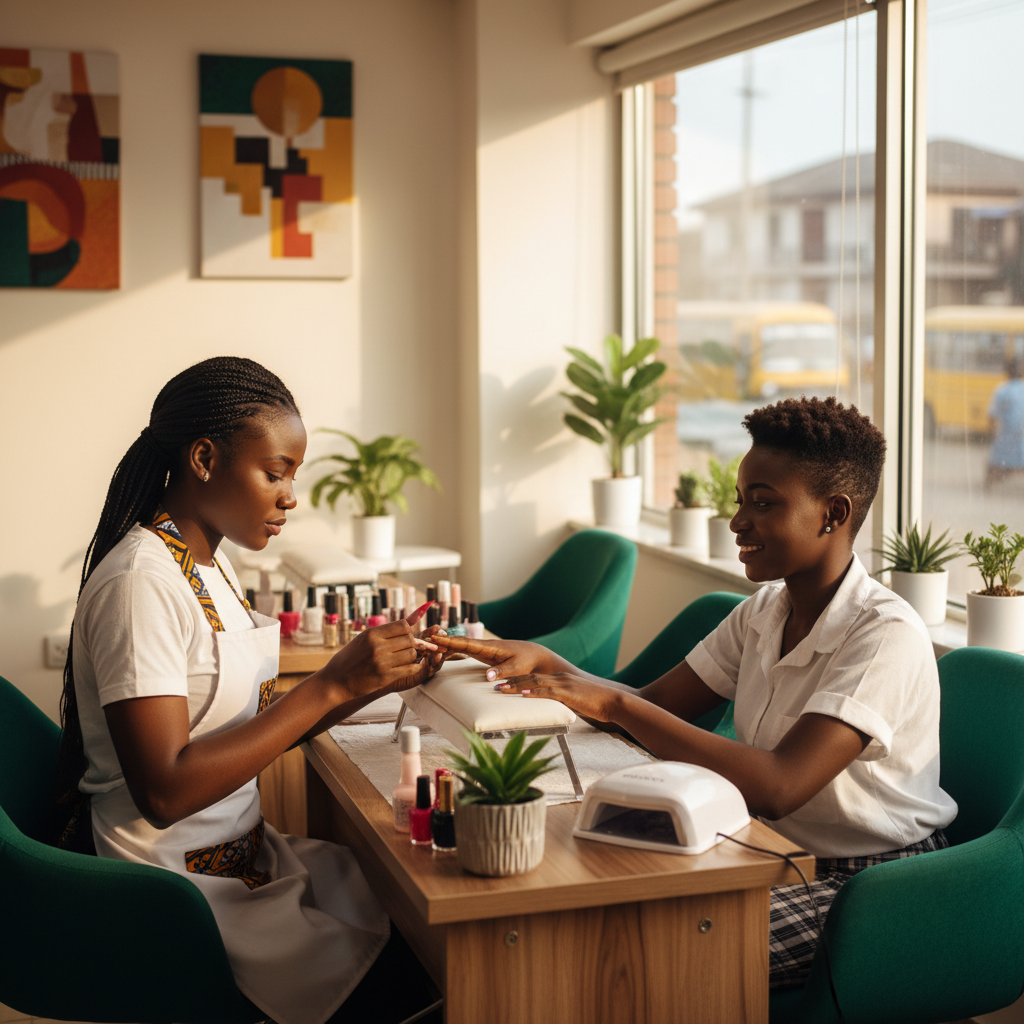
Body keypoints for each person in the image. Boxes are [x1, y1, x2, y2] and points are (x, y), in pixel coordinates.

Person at [430, 395, 958, 989]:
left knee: (632, 954)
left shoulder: (884, 635)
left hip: (871, 885)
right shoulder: (765, 611)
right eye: (741, 502)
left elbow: (779, 785)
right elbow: (652, 707)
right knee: (581, 917)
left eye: (763, 504)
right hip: (768, 848)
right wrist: (555, 667)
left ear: (833, 514)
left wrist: (613, 702)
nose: (737, 521)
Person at [58, 356, 443, 1024]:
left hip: (244, 858)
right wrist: (328, 686)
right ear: (204, 458)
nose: (291, 496)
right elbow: (166, 792)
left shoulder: (209, 563)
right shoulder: (139, 586)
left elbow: (247, 720)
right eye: (276, 473)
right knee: (419, 973)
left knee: (418, 925)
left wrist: (369, 684)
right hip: (177, 889)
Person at [986, 357, 1024, 489]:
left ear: (1007, 372)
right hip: (1020, 436)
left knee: (996, 461)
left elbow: (992, 415)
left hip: (1006, 435)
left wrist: (991, 432)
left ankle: (989, 485)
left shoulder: (1002, 390)